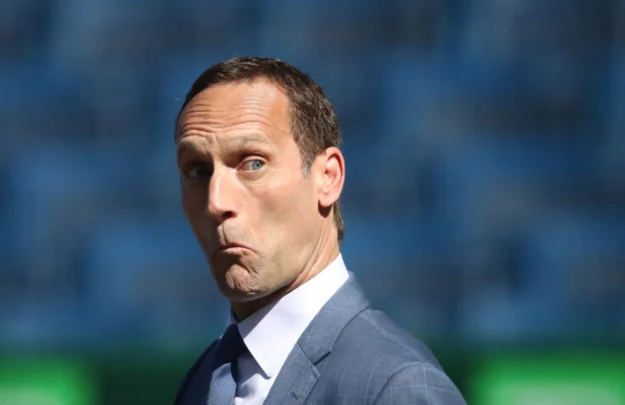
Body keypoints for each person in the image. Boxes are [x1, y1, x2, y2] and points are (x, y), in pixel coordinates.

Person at [173, 57, 466, 405]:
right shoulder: (202, 380)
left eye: (253, 163)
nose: (216, 201)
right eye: (197, 171)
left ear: (327, 177)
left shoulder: (398, 386)